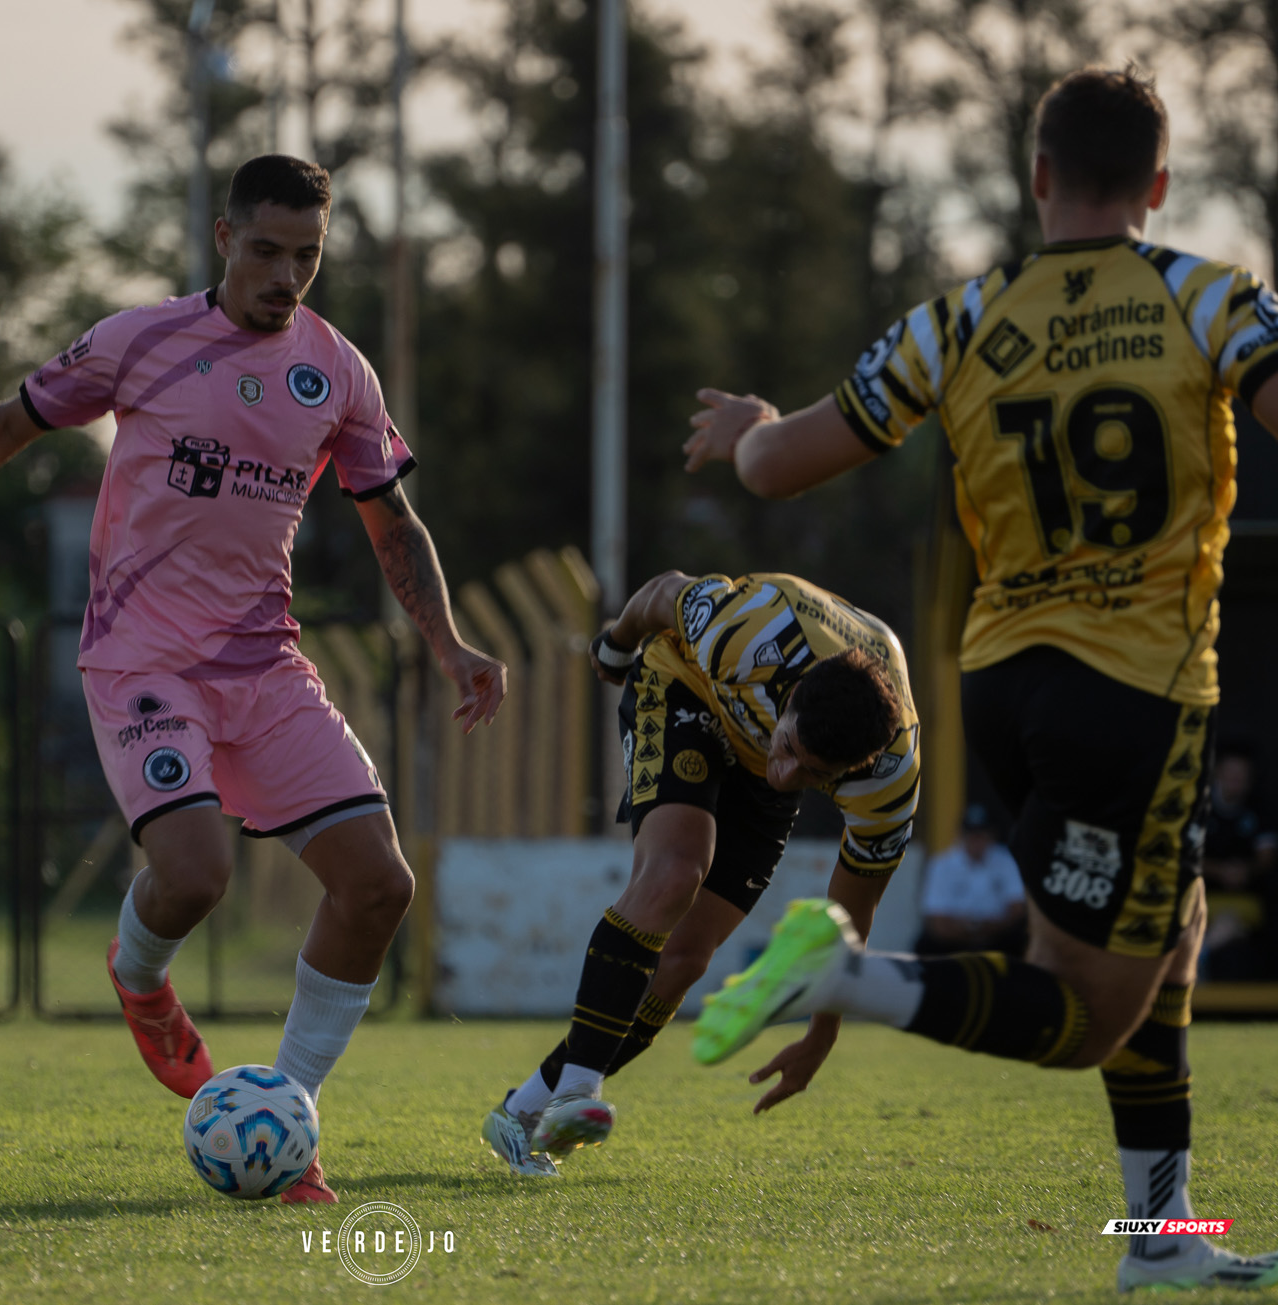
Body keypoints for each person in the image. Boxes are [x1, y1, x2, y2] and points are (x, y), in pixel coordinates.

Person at [683, 67, 1278, 1291]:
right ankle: (840, 971)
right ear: (1160, 186)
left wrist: (749, 420)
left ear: (1040, 177)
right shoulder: (1209, 302)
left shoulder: (954, 320)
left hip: (1003, 685)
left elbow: (775, 468)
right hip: (1140, 689)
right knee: (1085, 1015)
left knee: (1173, 933)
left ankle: (1158, 1240)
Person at [0, 154, 505, 1205]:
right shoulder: (140, 340)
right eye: (266, 250)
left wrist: (451, 643)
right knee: (196, 875)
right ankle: (139, 975)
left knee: (380, 885)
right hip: (142, 661)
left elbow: (391, 522)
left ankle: (283, 1124)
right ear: (223, 238)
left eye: (308, 254)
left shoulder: (338, 372)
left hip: (266, 664)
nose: (287, 273)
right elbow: (10, 421)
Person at [480, 568, 917, 1177]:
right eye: (791, 750)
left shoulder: (888, 779)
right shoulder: (750, 633)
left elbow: (849, 917)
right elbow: (665, 590)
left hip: (752, 736)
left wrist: (822, 1037)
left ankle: (521, 1113)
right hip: (685, 689)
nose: (787, 777)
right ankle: (580, 1090)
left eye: (815, 777)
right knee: (678, 871)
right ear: (791, 700)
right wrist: (616, 645)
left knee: (685, 958)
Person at [1199, 742, 1275, 980]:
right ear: (1217, 772)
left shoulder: (1260, 807)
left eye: (1242, 775)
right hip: (1203, 888)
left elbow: (1266, 858)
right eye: (1231, 773)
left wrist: (1244, 871)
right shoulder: (1199, 806)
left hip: (1248, 889)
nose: (1236, 779)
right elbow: (1183, 855)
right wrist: (1219, 871)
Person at [916, 804, 1025, 956]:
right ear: (961, 835)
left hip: (998, 937)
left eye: (981, 835)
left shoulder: (1006, 860)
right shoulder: (941, 865)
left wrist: (979, 928)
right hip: (954, 940)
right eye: (971, 835)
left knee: (1021, 940)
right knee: (925, 945)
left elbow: (1017, 910)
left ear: (992, 835)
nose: (976, 841)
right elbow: (937, 922)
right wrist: (975, 930)